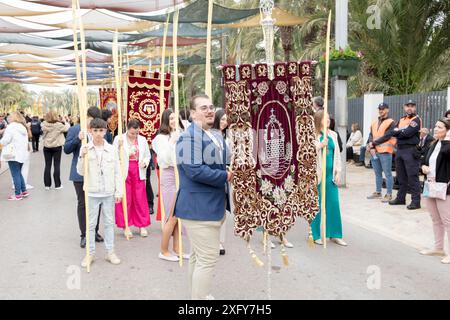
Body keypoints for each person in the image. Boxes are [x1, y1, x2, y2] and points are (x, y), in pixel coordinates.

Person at [174, 94, 232, 300]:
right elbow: (195, 171)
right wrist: (226, 175)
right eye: (203, 108)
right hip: (199, 208)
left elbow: (216, 162)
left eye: (211, 107)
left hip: (210, 205)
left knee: (199, 257)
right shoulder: (189, 137)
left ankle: (198, 295)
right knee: (208, 258)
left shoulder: (212, 135)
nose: (209, 111)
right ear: (192, 114)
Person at [77, 118, 122, 268]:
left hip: (108, 192)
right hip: (92, 191)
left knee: (109, 223)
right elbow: (80, 171)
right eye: (95, 130)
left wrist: (119, 191)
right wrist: (81, 156)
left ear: (105, 131)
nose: (98, 134)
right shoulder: (85, 148)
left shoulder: (111, 149)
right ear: (90, 131)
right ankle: (90, 253)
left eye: (101, 130)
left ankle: (110, 252)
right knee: (90, 224)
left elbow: (117, 172)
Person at [64, 108, 103, 248]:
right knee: (83, 203)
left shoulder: (100, 129)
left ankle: (95, 231)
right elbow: (66, 149)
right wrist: (77, 138)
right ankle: (84, 234)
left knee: (97, 202)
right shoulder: (75, 129)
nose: (94, 123)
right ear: (86, 117)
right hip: (80, 173)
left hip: (97, 172)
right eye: (91, 120)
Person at [153, 108, 187, 261]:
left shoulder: (182, 133)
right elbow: (165, 159)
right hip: (169, 175)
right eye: (171, 118)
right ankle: (163, 250)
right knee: (172, 216)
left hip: (182, 175)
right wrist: (172, 141)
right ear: (166, 120)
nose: (174, 121)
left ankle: (177, 248)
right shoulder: (160, 138)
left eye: (176, 118)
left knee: (180, 215)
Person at [311, 110, 347, 246]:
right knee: (317, 205)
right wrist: (320, 145)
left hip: (330, 176)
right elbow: (307, 154)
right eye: (325, 118)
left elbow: (337, 155)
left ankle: (335, 234)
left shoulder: (333, 135)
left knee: (333, 204)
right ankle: (315, 234)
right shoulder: (313, 135)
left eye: (328, 118)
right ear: (318, 119)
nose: (328, 120)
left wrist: (338, 171)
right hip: (318, 176)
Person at [419, 118, 450, 264]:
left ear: (448, 130)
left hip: (445, 187)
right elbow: (424, 160)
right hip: (431, 185)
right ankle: (438, 248)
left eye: (440, 127)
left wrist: (447, 139)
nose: (435, 129)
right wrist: (423, 168)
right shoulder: (433, 143)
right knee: (435, 218)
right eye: (435, 126)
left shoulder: (446, 145)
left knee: (447, 220)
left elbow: (446, 153)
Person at [114, 118, 151, 238]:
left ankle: (142, 225)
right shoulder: (119, 139)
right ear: (127, 130)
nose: (134, 135)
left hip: (138, 170)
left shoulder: (142, 140)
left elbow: (147, 155)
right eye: (131, 133)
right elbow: (113, 155)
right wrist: (117, 147)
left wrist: (144, 163)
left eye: (136, 133)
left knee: (140, 198)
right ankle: (126, 225)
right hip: (124, 170)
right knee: (126, 198)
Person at [389, 100, 422, 210]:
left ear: (415, 108)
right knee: (401, 177)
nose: (410, 108)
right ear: (404, 107)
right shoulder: (401, 120)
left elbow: (407, 133)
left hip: (410, 150)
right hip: (400, 150)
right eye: (408, 106)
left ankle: (416, 201)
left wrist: (399, 132)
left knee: (412, 177)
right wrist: (400, 132)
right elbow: (393, 132)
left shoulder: (416, 120)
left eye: (412, 106)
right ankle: (400, 198)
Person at [366, 102, 396, 202]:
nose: (381, 110)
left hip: (385, 151)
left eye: (383, 109)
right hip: (375, 151)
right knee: (377, 173)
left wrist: (373, 144)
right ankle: (378, 192)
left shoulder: (391, 122)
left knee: (387, 174)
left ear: (387, 110)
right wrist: (370, 144)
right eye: (379, 109)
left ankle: (389, 194)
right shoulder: (374, 123)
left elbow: (387, 136)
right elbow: (370, 135)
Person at [212, 109, 231, 255]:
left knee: (223, 211)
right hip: (216, 175)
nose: (225, 122)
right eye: (222, 119)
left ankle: (216, 239)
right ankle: (214, 241)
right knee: (216, 211)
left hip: (225, 175)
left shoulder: (224, 136)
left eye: (226, 120)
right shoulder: (211, 135)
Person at [0, 112, 30, 201]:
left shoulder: (11, 127)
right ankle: (24, 191)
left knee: (15, 174)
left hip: (12, 154)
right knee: (19, 173)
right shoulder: (23, 127)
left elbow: (6, 140)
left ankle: (17, 194)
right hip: (21, 154)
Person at [42, 111, 69, 190]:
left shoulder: (44, 124)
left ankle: (47, 185)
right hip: (57, 147)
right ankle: (57, 185)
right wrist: (64, 120)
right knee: (56, 165)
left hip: (47, 147)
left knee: (47, 165)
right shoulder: (59, 125)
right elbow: (67, 128)